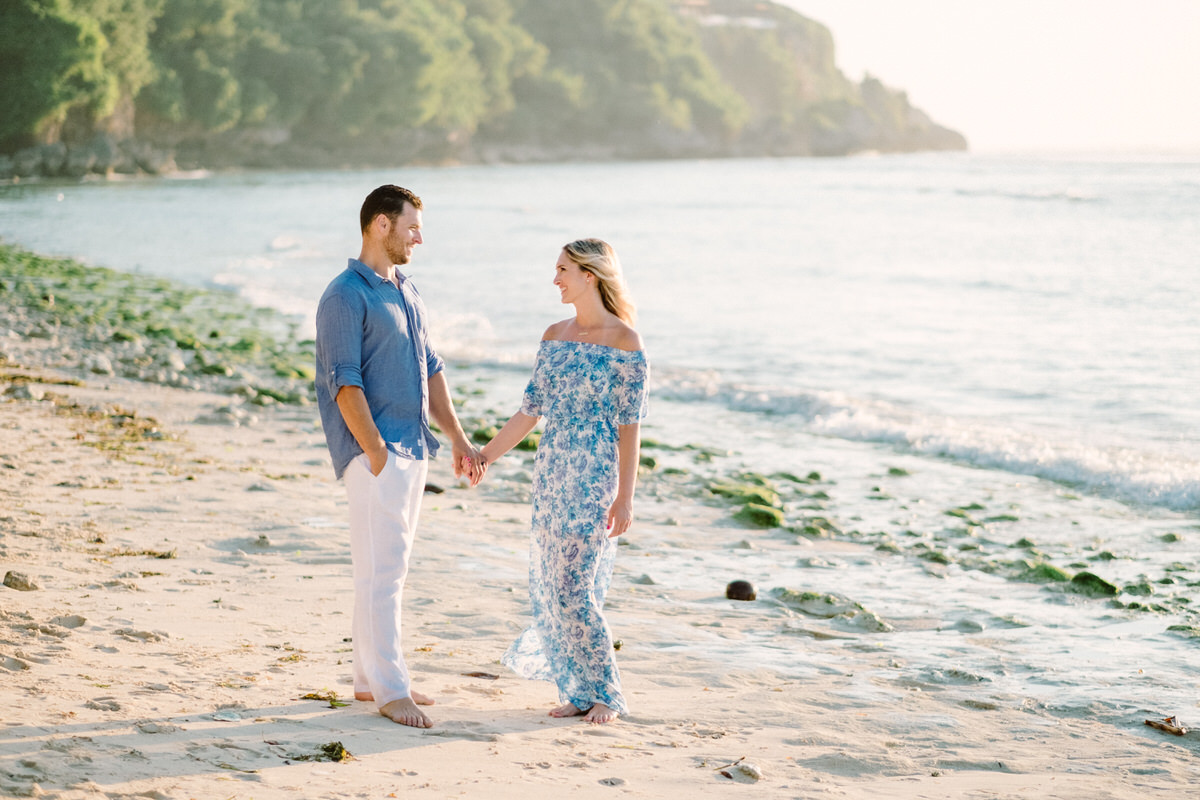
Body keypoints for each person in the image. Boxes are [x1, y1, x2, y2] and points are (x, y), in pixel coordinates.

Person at [314, 184, 481, 728]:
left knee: (384, 571)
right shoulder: (345, 295)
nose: (418, 237)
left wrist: (456, 436)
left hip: (415, 448)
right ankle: (391, 689)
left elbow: (432, 369)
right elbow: (345, 383)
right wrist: (376, 452)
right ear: (380, 226)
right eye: (411, 226)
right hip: (377, 454)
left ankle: (368, 679)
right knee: (383, 572)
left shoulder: (407, 291)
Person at [477, 238, 649, 724]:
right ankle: (577, 689)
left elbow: (629, 427)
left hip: (595, 479)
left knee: (577, 589)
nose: (555, 278)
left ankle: (608, 695)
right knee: (554, 590)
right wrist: (484, 456)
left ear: (590, 275)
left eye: (563, 270)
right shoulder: (554, 336)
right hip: (552, 476)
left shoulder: (626, 342)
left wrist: (625, 497)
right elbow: (529, 411)